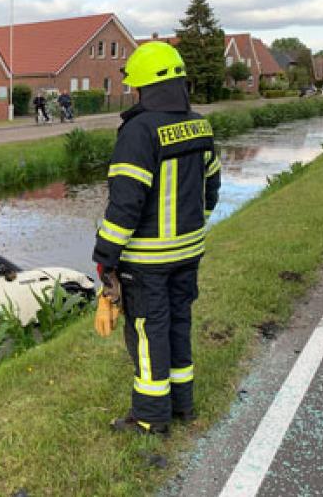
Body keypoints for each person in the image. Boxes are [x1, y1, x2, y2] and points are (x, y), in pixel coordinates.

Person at [92, 41, 221, 436]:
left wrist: (105, 258)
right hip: (189, 251)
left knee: (148, 332)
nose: (133, 93)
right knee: (179, 322)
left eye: (135, 86)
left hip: (147, 259)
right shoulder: (199, 123)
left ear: (144, 87)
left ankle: (150, 417)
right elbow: (211, 186)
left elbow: (125, 204)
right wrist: (192, 228)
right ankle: (182, 404)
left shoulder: (138, 130)